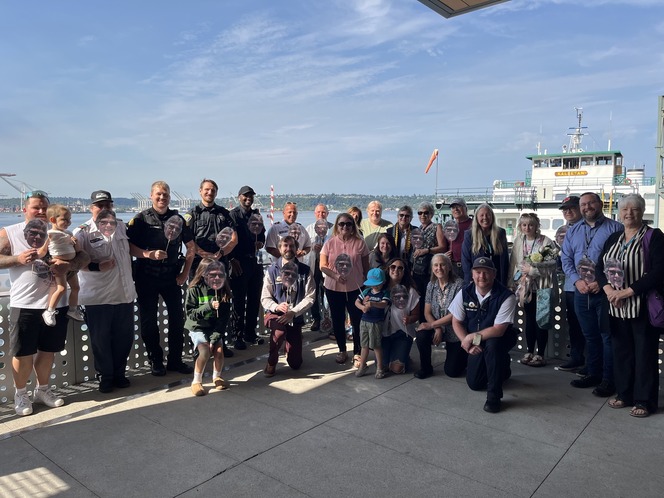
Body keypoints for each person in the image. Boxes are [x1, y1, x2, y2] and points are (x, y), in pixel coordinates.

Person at [1, 191, 90, 416]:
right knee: (22, 353)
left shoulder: (62, 233)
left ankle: (42, 390)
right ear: (25, 209)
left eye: (43, 208)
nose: (40, 211)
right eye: (35, 208)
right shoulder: (10, 233)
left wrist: (69, 267)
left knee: (48, 351)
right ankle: (21, 393)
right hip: (25, 304)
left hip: (56, 305)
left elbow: (83, 258)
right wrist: (17, 259)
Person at [596, 194, 663, 417]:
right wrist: (608, 291)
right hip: (616, 306)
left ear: (642, 212)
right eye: (624, 209)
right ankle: (624, 394)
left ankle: (645, 401)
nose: (629, 213)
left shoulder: (654, 237)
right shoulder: (614, 238)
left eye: (634, 209)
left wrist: (627, 291)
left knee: (644, 354)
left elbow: (659, 272)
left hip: (641, 305)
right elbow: (599, 268)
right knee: (622, 353)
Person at [127, 181, 195, 376]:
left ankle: (175, 360)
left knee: (177, 319)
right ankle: (155, 360)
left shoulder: (178, 219)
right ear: (151, 196)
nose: (161, 197)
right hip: (146, 276)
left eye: (165, 194)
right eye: (158, 194)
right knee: (149, 322)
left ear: (169, 197)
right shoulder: (141, 219)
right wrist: (147, 254)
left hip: (171, 277)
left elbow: (191, 248)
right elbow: (129, 247)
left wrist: (184, 273)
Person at [73, 191, 136, 393]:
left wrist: (149, 254)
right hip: (97, 297)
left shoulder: (121, 227)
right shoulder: (82, 232)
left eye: (107, 205)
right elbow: (75, 262)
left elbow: (132, 249)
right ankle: (105, 377)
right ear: (91, 208)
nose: (104, 209)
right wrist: (96, 267)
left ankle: (119, 373)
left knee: (124, 338)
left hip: (124, 294)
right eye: (99, 206)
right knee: (100, 341)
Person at [561, 192, 622, 397]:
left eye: (591, 203)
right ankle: (593, 373)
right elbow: (566, 258)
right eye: (584, 204)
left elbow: (620, 262)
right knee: (590, 336)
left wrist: (601, 282)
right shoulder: (573, 230)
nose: (587, 207)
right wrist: (577, 281)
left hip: (605, 292)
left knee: (607, 336)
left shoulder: (616, 228)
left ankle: (609, 379)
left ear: (600, 204)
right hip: (581, 291)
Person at [450, 256, 517, 413]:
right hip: (477, 339)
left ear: (494, 274)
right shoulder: (464, 293)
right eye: (478, 272)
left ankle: (494, 397)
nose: (482, 276)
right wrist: (465, 343)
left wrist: (469, 338)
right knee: (474, 383)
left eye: (486, 272)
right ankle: (503, 367)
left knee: (493, 347)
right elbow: (456, 322)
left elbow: (498, 330)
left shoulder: (506, 296)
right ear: (472, 274)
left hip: (500, 337)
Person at [185, 179, 237, 357]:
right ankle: (198, 345)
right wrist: (204, 254)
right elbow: (188, 241)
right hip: (199, 267)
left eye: (213, 190)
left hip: (220, 267)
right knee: (198, 304)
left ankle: (220, 341)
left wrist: (221, 253)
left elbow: (233, 239)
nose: (210, 192)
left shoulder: (224, 214)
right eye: (207, 189)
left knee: (222, 303)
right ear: (200, 191)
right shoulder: (192, 214)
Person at [261, 236, 315, 377]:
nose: (288, 249)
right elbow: (265, 297)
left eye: (292, 246)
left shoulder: (305, 271)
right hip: (276, 314)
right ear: (279, 249)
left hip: (294, 316)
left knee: (296, 364)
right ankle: (271, 362)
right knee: (278, 333)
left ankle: (290, 345)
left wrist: (294, 312)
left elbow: (310, 297)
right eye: (285, 246)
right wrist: (276, 306)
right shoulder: (272, 270)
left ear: (297, 249)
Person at [320, 212, 370, 365]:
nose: (345, 227)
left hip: (355, 288)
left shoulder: (360, 243)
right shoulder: (329, 243)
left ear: (352, 226)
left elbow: (366, 269)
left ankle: (357, 352)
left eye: (348, 224)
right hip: (334, 288)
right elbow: (322, 266)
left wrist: (368, 290)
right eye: (341, 224)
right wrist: (335, 276)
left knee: (357, 321)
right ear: (337, 226)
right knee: (338, 319)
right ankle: (342, 350)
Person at [508, 213, 555, 367]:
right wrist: (512, 281)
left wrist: (533, 271)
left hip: (542, 287)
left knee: (541, 319)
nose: (527, 228)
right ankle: (529, 351)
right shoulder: (518, 241)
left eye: (530, 225)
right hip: (525, 287)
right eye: (524, 225)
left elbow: (552, 264)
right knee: (529, 320)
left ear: (536, 226)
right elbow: (513, 262)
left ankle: (540, 353)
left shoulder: (546, 241)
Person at [185, 258, 231, 396]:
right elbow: (191, 314)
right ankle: (196, 381)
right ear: (203, 274)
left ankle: (217, 376)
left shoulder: (223, 291)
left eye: (220, 274)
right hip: (197, 327)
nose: (217, 278)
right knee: (204, 351)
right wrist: (208, 306)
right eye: (212, 274)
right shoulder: (194, 289)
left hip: (214, 327)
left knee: (218, 350)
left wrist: (215, 337)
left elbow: (224, 318)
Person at [415, 254, 465, 379]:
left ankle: (465, 356)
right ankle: (426, 368)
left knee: (452, 372)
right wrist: (437, 328)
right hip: (438, 326)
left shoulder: (459, 285)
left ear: (449, 267)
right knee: (421, 334)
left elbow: (455, 315)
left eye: (443, 264)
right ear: (432, 268)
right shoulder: (431, 285)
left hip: (455, 330)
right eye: (436, 265)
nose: (439, 268)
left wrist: (433, 325)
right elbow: (427, 312)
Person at [228, 185, 266, 349]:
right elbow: (228, 239)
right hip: (239, 261)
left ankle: (250, 333)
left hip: (255, 262)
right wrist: (231, 259)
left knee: (254, 300)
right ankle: (237, 336)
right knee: (238, 301)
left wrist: (261, 242)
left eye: (250, 196)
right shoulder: (232, 215)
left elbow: (263, 236)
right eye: (245, 196)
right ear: (239, 197)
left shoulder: (256, 215)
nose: (248, 198)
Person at [38, 204, 85, 325]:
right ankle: (49, 311)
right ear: (53, 220)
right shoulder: (51, 233)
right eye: (65, 219)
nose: (68, 222)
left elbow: (78, 250)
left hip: (71, 265)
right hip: (59, 266)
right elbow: (43, 251)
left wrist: (75, 242)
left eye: (69, 219)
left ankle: (73, 309)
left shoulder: (68, 233)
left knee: (76, 288)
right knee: (62, 288)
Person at [555, 196, 586, 372]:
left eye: (571, 208)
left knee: (589, 327)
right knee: (573, 325)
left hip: (589, 286)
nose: (567, 211)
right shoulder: (563, 230)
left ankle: (592, 362)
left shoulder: (587, 228)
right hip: (570, 285)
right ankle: (576, 357)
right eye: (564, 209)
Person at [381, 257, 419, 374]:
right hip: (384, 334)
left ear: (404, 272)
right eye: (393, 267)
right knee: (382, 367)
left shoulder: (410, 291)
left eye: (400, 268)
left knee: (396, 369)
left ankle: (403, 356)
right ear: (388, 269)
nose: (396, 270)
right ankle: (396, 354)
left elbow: (416, 315)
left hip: (402, 333)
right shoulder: (380, 288)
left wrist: (409, 319)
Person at [412, 201, 446, 321]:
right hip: (417, 270)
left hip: (430, 269)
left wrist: (427, 250)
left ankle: (433, 325)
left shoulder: (437, 227)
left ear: (431, 214)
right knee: (419, 298)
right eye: (420, 213)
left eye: (426, 213)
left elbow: (443, 247)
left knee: (431, 298)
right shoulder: (418, 229)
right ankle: (422, 323)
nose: (423, 215)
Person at [461, 203, 509, 286]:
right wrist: (470, 281)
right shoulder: (469, 235)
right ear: (477, 218)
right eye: (482, 215)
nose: (485, 218)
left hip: (497, 279)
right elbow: (466, 260)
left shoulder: (500, 233)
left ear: (492, 217)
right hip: (478, 280)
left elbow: (504, 260)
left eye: (488, 215)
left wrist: (505, 282)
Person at [355, 268, 390, 378]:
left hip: (376, 322)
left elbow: (384, 304)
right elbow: (356, 302)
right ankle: (362, 366)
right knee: (364, 345)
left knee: (376, 345)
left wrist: (373, 304)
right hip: (364, 321)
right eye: (372, 284)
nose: (374, 287)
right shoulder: (366, 291)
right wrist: (362, 307)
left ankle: (380, 367)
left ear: (383, 282)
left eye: (377, 284)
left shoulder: (384, 293)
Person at [305, 204, 333, 331]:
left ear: (327, 214)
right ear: (315, 214)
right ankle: (316, 319)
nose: (321, 215)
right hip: (314, 264)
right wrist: (312, 247)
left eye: (323, 212)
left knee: (329, 293)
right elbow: (303, 247)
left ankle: (329, 319)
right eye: (318, 212)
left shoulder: (333, 229)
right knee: (313, 292)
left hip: (328, 266)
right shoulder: (309, 229)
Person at [445, 198, 473, 279]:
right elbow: (445, 246)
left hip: (468, 266)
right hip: (452, 266)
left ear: (466, 208)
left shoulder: (474, 225)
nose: (456, 209)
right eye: (453, 207)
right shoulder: (449, 226)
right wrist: (445, 255)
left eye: (459, 206)